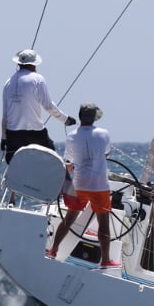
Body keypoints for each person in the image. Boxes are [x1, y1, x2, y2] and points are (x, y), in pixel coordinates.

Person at [47, 103, 119, 268]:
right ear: (94, 118)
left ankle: (53, 250)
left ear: (80, 117)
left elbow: (69, 161)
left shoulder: (72, 136)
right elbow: (106, 153)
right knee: (103, 223)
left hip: (79, 184)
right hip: (99, 185)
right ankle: (105, 260)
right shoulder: (104, 133)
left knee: (69, 218)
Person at [1, 49, 75, 163]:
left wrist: (3, 138)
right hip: (35, 133)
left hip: (13, 135)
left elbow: (5, 114)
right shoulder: (38, 79)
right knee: (53, 161)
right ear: (32, 64)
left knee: (13, 163)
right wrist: (65, 119)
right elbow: (48, 106)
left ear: (19, 64)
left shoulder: (8, 83)